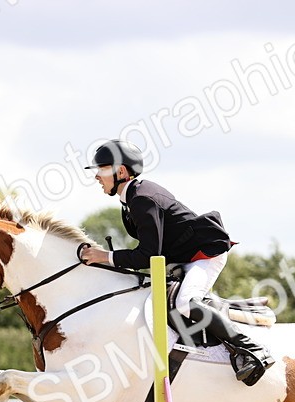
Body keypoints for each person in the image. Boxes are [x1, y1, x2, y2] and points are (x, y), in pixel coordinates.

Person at [78, 139, 274, 386]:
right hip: (182, 257)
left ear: (120, 171)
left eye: (101, 169)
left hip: (205, 255)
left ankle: (251, 350)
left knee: (184, 303)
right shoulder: (132, 198)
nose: (96, 176)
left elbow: (148, 256)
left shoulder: (142, 199)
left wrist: (103, 256)